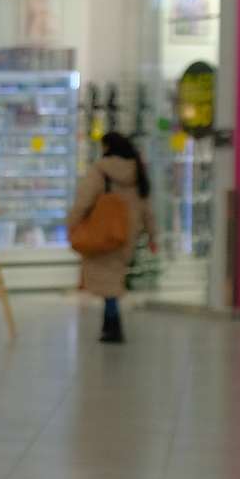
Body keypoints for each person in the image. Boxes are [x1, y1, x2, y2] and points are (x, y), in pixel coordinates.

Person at [68, 131, 156, 344]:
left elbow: (83, 200)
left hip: (103, 233)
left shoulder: (100, 170)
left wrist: (71, 223)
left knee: (107, 282)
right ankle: (110, 325)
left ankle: (112, 325)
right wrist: (153, 235)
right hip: (127, 235)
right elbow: (147, 209)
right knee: (114, 279)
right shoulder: (137, 172)